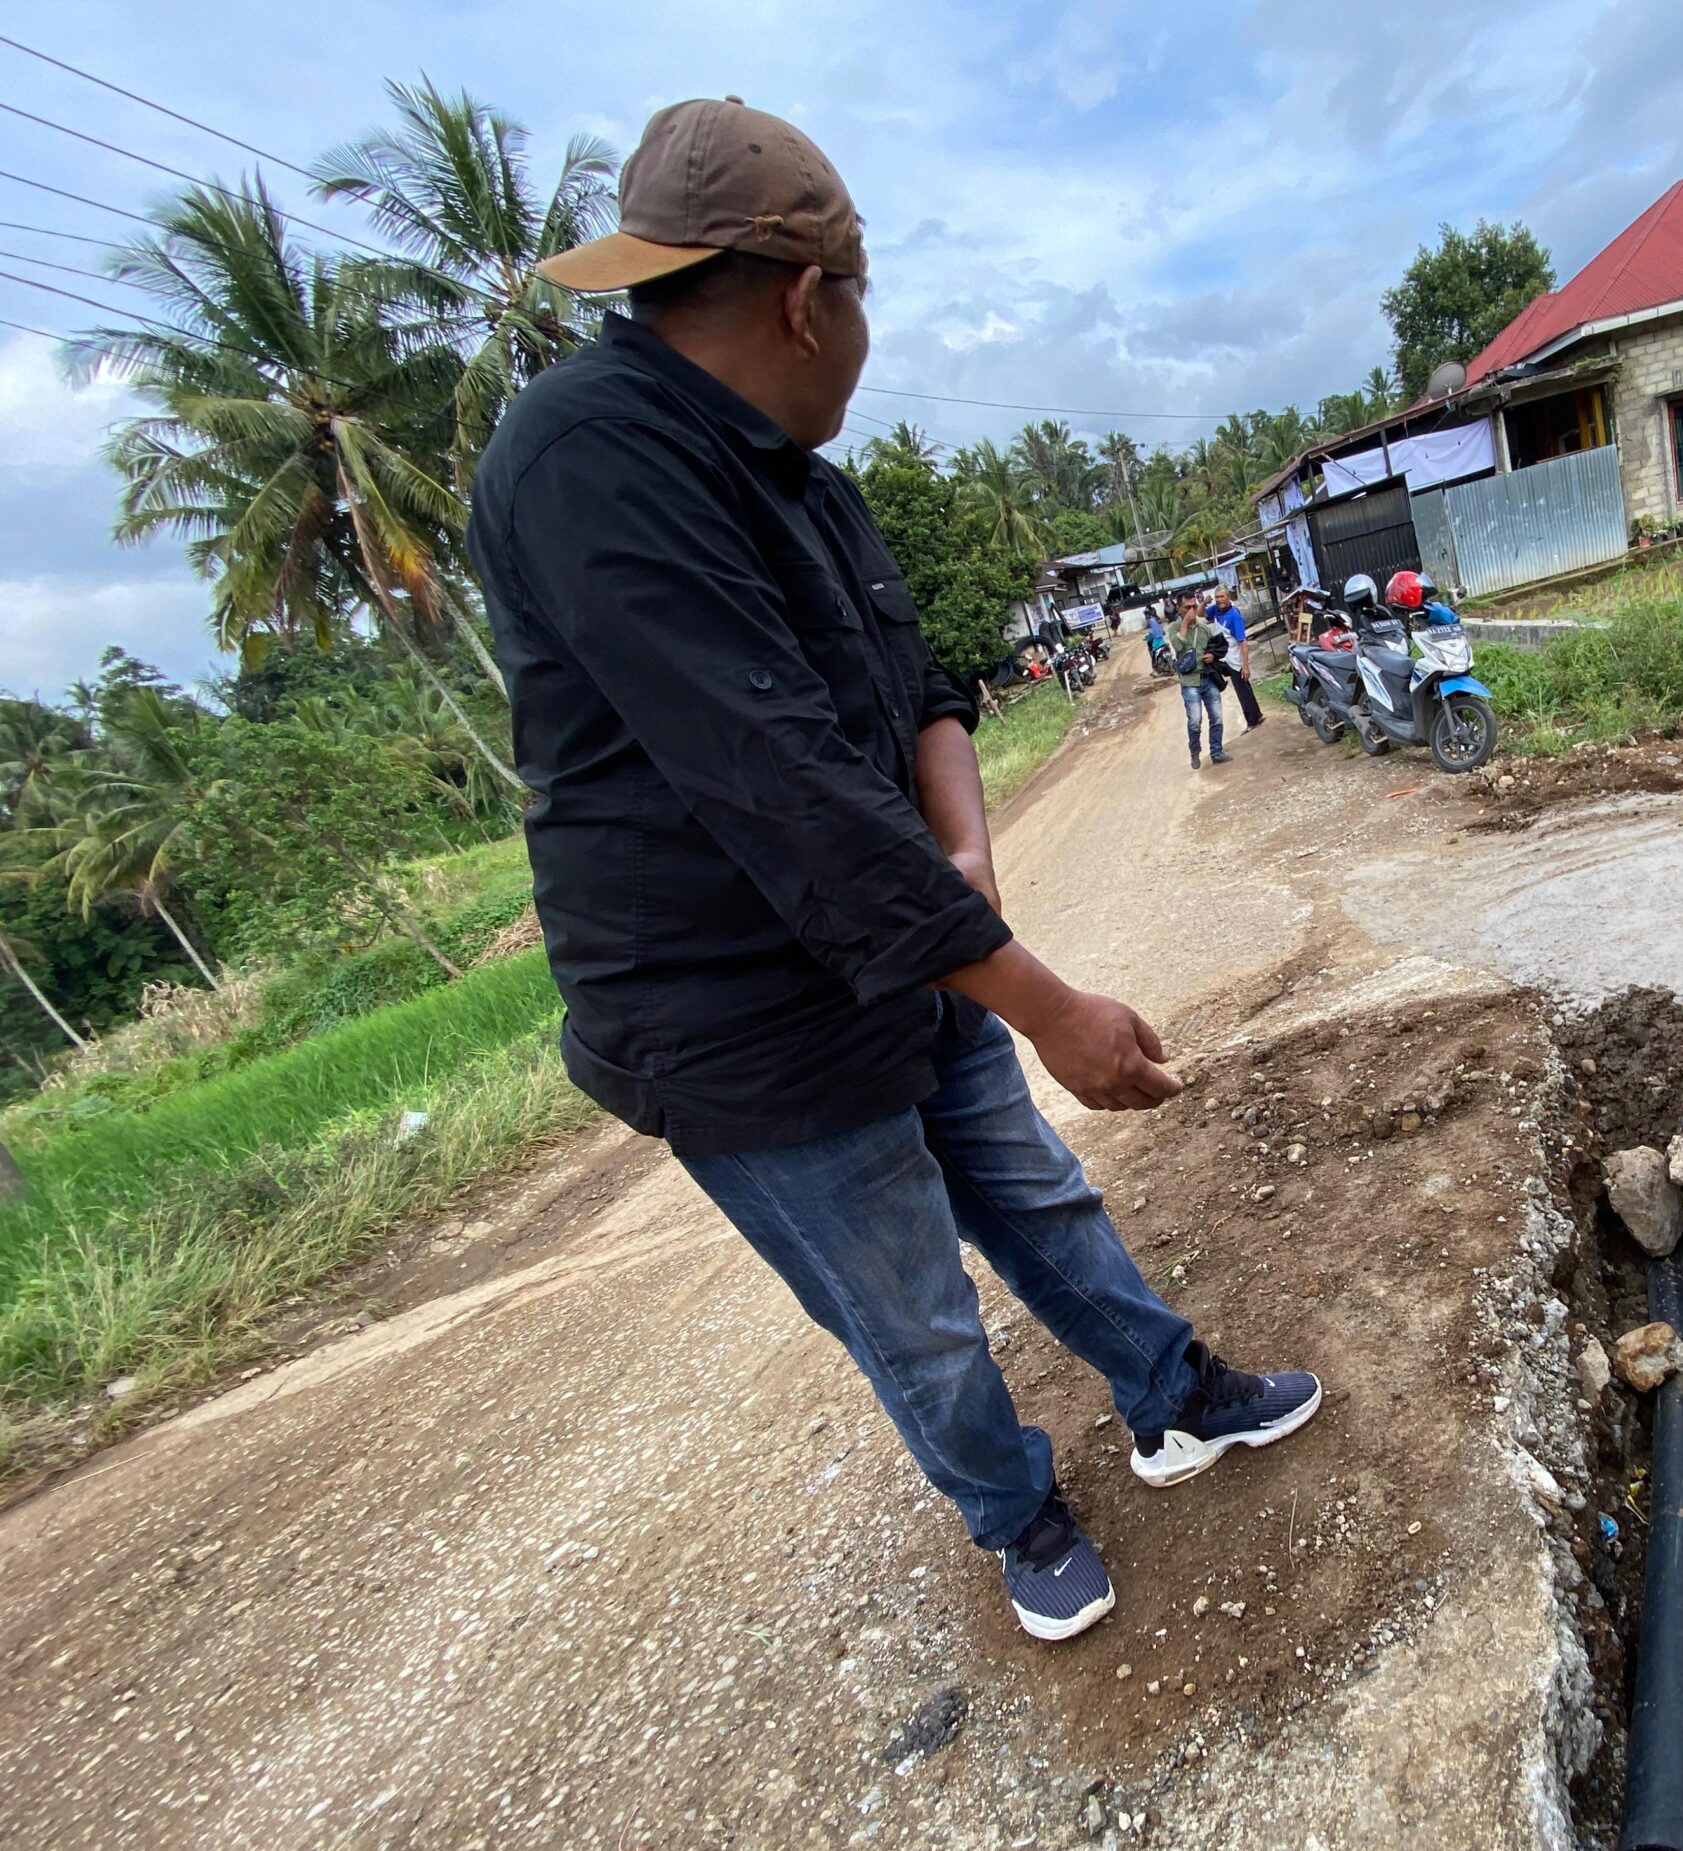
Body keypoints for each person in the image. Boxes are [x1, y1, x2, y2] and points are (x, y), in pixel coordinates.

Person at [465, 98, 1319, 1645]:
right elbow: (780, 784)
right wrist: (1046, 1004)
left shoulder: (806, 475)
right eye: (864, 302)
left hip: (909, 951)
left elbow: (924, 687)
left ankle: (1171, 1396)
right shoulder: (590, 459)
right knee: (915, 1313)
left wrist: (969, 859)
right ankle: (1019, 1515)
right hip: (743, 1021)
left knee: (1040, 1199)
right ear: (812, 298)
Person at [1170, 595, 1228, 767]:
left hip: (1207, 678)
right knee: (1195, 720)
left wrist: (1212, 656)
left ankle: (1216, 752)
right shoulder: (1174, 628)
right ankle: (1195, 752)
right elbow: (1177, 646)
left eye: (1194, 606)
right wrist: (1185, 624)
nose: (1192, 610)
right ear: (1179, 608)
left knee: (1216, 717)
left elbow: (1214, 648)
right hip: (1189, 682)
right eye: (1187, 607)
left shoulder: (1203, 629)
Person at [1209, 584, 1264, 729]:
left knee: (1242, 691)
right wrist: (1204, 603)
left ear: (1228, 597)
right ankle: (1256, 715)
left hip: (1235, 660)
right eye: (1217, 597)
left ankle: (1252, 721)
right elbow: (1202, 613)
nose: (1219, 600)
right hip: (1225, 658)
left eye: (1222, 596)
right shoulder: (1216, 610)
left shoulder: (1234, 616)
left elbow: (1243, 642)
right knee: (1244, 688)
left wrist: (1245, 666)